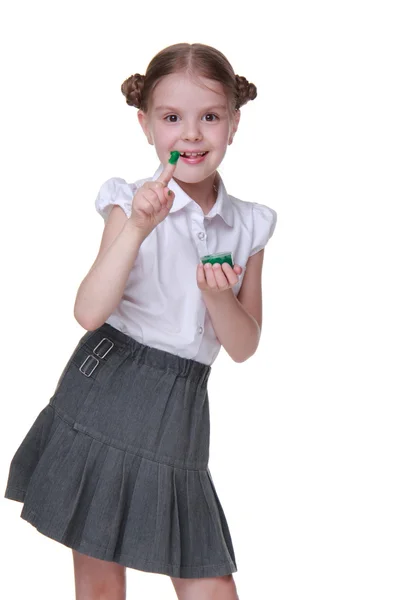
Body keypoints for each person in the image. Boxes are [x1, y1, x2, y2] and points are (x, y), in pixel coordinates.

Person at [4, 42, 277, 600]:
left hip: (181, 412)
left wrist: (217, 298)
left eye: (210, 117)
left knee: (208, 581)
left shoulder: (249, 226)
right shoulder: (128, 203)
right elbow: (88, 312)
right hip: (107, 389)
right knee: (101, 582)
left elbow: (245, 346)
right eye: (172, 118)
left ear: (234, 123)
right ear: (145, 124)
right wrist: (136, 229)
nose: (192, 134)